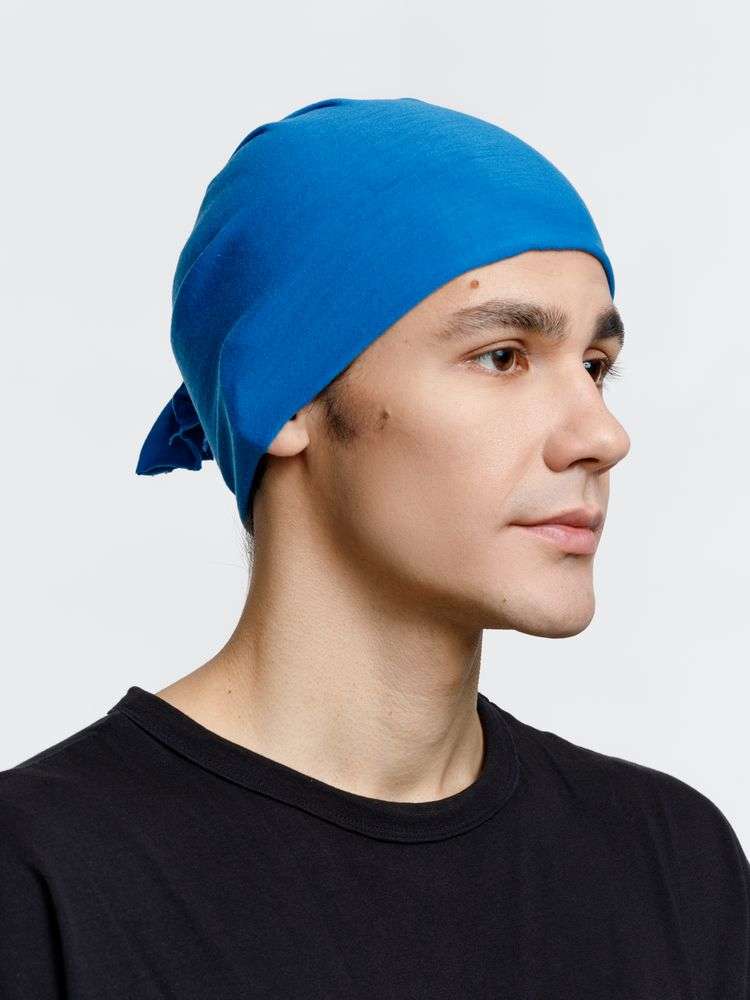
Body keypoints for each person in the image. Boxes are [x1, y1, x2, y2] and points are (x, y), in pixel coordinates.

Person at [2, 97, 748, 999]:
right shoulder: (41, 880)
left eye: (595, 367)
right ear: (284, 398)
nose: (602, 435)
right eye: (504, 356)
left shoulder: (671, 860)